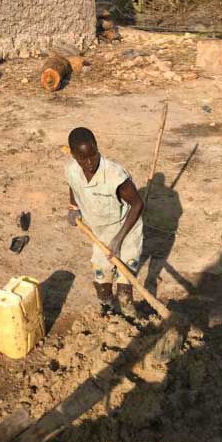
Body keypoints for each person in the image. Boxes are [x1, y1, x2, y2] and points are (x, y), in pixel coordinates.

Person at [65, 127, 144, 316]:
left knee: (125, 286)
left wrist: (118, 239)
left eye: (93, 155)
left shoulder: (115, 175)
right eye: (83, 159)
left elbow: (138, 204)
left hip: (126, 229)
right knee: (102, 283)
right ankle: (109, 316)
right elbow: (73, 186)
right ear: (74, 155)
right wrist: (73, 208)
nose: (90, 162)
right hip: (99, 232)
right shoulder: (71, 169)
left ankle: (129, 321)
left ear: (97, 148)